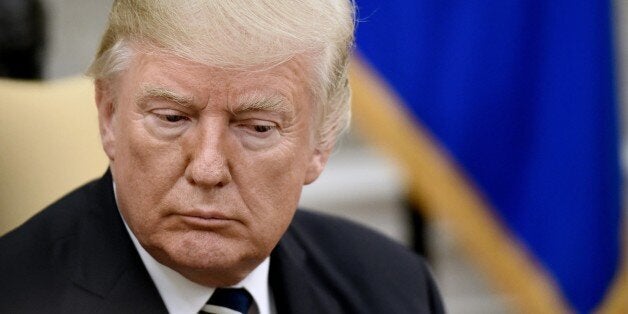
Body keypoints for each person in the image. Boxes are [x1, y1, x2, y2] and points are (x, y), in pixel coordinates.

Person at [0, 0, 444, 313]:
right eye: (173, 118)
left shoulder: (394, 287)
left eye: (257, 127)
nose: (208, 169)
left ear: (321, 142)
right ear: (109, 115)